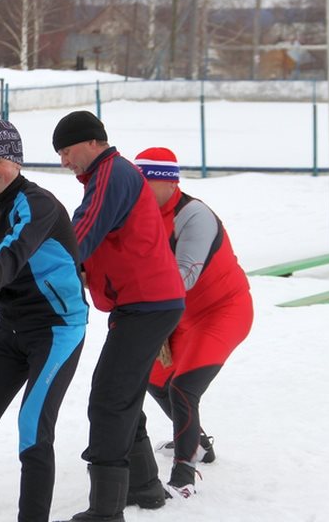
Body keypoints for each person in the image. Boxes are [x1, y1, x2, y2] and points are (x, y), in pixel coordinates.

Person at [0, 118, 88, 522]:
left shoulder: (38, 204)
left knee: (32, 434)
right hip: (8, 330)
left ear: (16, 160)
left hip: (56, 330)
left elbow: (10, 257)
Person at [51, 111, 186, 522]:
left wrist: (46, 263)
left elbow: (80, 234)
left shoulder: (110, 174)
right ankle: (145, 487)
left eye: (67, 151)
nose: (64, 161)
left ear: (92, 142)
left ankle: (106, 510)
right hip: (143, 302)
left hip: (148, 303)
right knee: (121, 394)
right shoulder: (109, 175)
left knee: (109, 398)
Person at [134, 146, 253, 498]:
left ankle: (184, 476)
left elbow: (184, 276)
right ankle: (199, 442)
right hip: (181, 315)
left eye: (146, 184)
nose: (139, 192)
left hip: (224, 311)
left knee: (184, 389)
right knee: (154, 379)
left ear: (170, 183)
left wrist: (136, 296)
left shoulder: (194, 215)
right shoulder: (140, 213)